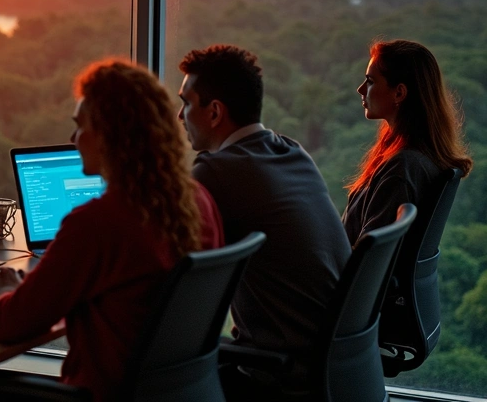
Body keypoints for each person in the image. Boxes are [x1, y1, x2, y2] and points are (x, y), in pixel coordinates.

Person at [0, 59, 223, 402]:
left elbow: (10, 324)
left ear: (107, 136)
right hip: (184, 393)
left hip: (102, 394)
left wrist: (6, 291)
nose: (73, 138)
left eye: (80, 125)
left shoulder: (98, 223)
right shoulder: (199, 201)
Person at [177, 45, 350, 395]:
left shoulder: (217, 171)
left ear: (214, 113)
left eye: (186, 103)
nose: (180, 116)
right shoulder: (290, 150)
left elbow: (172, 265)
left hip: (281, 376)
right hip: (337, 367)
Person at [344, 39, 473, 243]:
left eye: (370, 81)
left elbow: (366, 261)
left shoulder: (402, 169)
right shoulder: (417, 158)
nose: (360, 90)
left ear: (399, 92)